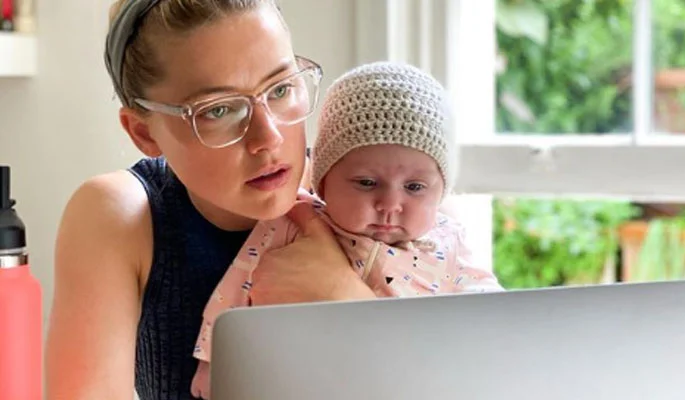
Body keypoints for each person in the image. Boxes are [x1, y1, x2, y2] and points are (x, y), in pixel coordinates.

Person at [44, 1, 376, 399]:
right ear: (144, 133)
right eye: (218, 110)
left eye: (281, 88)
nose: (268, 137)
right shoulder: (120, 216)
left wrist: (350, 298)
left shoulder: (375, 192)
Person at [189, 61, 504, 399]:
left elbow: (495, 317)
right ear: (324, 181)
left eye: (414, 187)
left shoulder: (449, 241)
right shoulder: (294, 222)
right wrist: (212, 361)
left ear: (441, 190)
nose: (389, 204)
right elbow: (235, 290)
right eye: (367, 183)